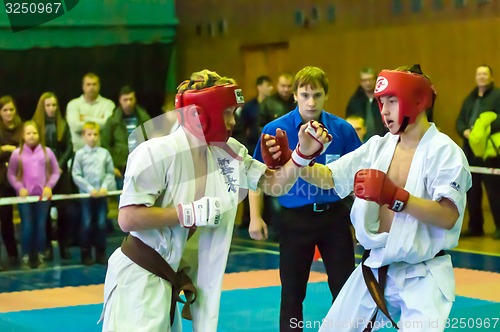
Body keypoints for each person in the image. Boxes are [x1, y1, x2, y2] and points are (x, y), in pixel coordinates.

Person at [99, 69, 331, 332]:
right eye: (227, 112)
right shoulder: (155, 152)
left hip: (172, 278)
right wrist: (189, 213)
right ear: (201, 113)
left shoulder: (229, 152)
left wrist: (300, 157)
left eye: (234, 112)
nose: (233, 121)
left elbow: (273, 184)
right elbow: (128, 218)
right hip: (139, 277)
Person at [263, 64, 472, 331]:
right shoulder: (378, 146)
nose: (384, 110)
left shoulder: (445, 152)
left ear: (417, 101)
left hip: (423, 272)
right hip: (375, 265)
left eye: (392, 101)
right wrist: (297, 160)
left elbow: (448, 216)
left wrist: (396, 197)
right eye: (381, 102)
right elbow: (330, 178)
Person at [249, 66, 361, 332]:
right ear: (295, 96)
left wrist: (359, 221)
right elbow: (255, 176)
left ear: (326, 96)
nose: (311, 101)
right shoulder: (276, 130)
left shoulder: (342, 131)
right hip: (294, 218)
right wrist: (255, 217)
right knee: (292, 292)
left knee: (345, 290)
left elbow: (358, 179)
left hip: (334, 216)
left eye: (317, 95)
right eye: (305, 94)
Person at [7, 121, 60, 269]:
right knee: (28, 226)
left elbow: (56, 171)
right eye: (28, 133)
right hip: (24, 198)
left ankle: (40, 253)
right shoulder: (16, 154)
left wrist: (49, 186)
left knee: (40, 225)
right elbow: (11, 174)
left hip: (42, 198)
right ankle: (26, 254)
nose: (31, 136)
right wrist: (19, 187)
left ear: (39, 134)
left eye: (34, 133)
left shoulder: (47, 152)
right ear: (23, 136)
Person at [456, 65, 500, 239]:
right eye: (479, 74)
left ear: (491, 77)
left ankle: (499, 226)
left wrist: (483, 129)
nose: (481, 77)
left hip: (490, 152)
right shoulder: (470, 98)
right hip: (471, 151)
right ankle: (475, 226)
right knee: (472, 191)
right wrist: (465, 131)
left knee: (495, 191)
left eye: (485, 74)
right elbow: (459, 121)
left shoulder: (497, 96)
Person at [32, 92, 74, 260]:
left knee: (64, 212)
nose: (51, 108)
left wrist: (60, 165)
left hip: (61, 173)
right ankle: (47, 246)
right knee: (45, 212)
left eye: (54, 105)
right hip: (42, 175)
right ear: (42, 107)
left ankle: (64, 246)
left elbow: (69, 148)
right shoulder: (35, 125)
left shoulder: (63, 124)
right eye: (48, 105)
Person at [72, 121, 116, 265]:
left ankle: (100, 252)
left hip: (102, 195)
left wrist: (104, 187)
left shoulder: (104, 153)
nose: (92, 137)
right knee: (87, 223)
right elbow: (76, 175)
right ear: (84, 136)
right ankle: (85, 253)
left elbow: (109, 173)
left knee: (102, 223)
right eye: (89, 134)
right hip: (87, 196)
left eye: (95, 134)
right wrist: (90, 189)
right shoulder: (79, 155)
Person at [101, 85, 151, 190]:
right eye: (125, 100)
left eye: (131, 99)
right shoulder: (112, 121)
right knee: (123, 201)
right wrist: (111, 167)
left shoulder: (144, 119)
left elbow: (152, 142)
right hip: (120, 168)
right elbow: (104, 145)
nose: (128, 103)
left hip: (141, 166)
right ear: (120, 100)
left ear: (135, 99)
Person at [66, 72, 115, 152]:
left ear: (99, 86)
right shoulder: (73, 104)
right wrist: (99, 121)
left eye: (94, 84)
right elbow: (75, 126)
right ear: (83, 87)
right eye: (88, 84)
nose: (91, 87)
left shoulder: (108, 104)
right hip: (78, 152)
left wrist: (85, 118)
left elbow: (107, 125)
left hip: (101, 152)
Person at [0, 96, 22, 268]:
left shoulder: (22, 129)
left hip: (20, 179)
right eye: (5, 110)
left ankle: (14, 254)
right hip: (2, 181)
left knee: (12, 220)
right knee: (4, 218)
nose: (8, 113)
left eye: (11, 109)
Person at [233, 75, 273, 155]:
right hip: (253, 146)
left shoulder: (274, 105)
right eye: (268, 86)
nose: (271, 88)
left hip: (271, 144)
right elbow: (241, 128)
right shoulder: (249, 106)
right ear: (259, 87)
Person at [346, 67, 387, 139]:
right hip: (360, 142)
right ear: (360, 82)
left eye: (370, 79)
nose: (368, 83)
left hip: (383, 139)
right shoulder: (354, 101)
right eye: (364, 80)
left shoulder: (384, 99)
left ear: (376, 80)